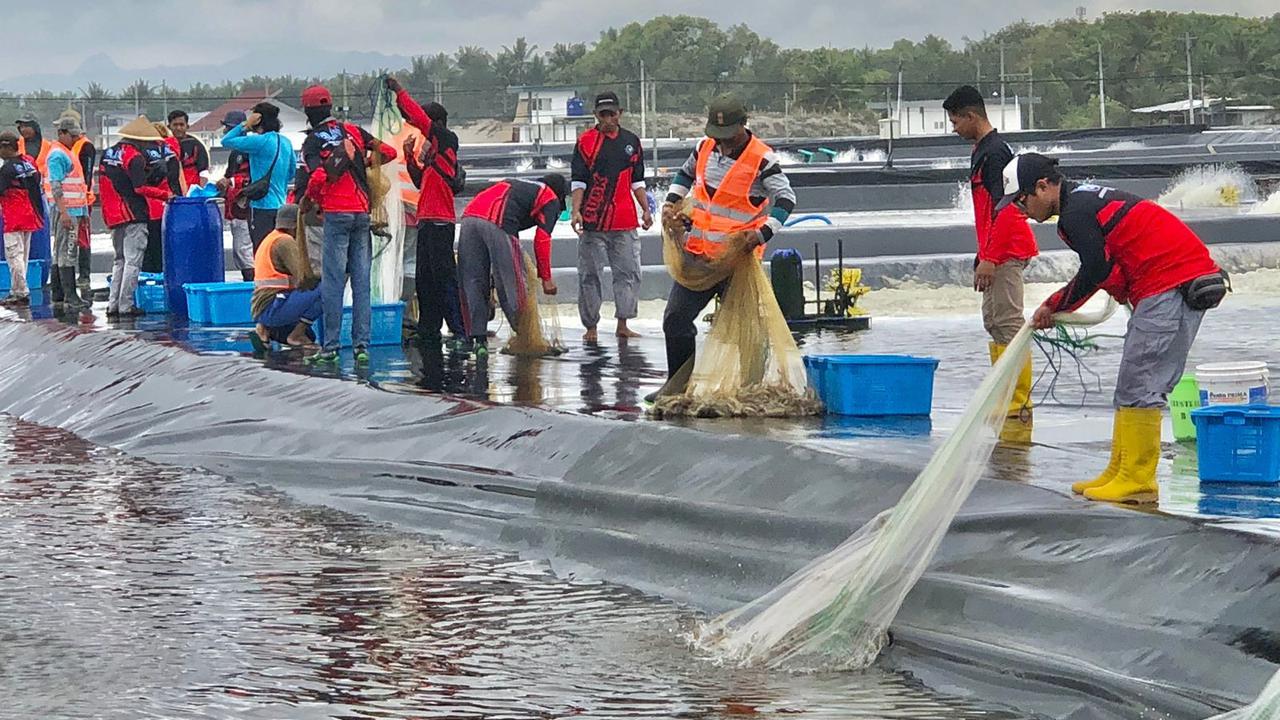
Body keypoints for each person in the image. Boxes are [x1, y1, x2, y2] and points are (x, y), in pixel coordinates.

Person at [1004, 153, 1227, 504]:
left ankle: (1138, 482)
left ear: (1043, 187)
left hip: (1172, 286)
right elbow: (1105, 267)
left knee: (1141, 385)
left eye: (1021, 200)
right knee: (1130, 384)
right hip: (1161, 286)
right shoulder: (1081, 202)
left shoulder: (1076, 213)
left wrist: (1057, 304)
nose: (1021, 210)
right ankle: (1119, 471)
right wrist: (1060, 301)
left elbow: (1094, 269)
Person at [656, 94, 796, 389]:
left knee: (746, 329)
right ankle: (678, 384)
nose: (723, 142)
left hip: (737, 261)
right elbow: (684, 174)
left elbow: (785, 199)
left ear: (742, 125)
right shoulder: (704, 148)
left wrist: (761, 234)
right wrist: (671, 202)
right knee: (675, 318)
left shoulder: (762, 159)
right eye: (717, 135)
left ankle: (751, 387)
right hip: (699, 255)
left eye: (728, 136)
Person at [943, 85, 1040, 441]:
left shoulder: (996, 153)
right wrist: (981, 254)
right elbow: (987, 212)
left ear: (972, 116)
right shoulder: (981, 150)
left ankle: (1017, 402)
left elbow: (1008, 209)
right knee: (994, 322)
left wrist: (992, 257)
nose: (953, 128)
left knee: (1008, 323)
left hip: (1006, 251)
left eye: (955, 121)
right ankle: (1006, 396)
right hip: (993, 250)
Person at [297, 84, 397, 365]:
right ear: (329, 108)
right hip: (362, 213)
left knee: (334, 282)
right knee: (362, 281)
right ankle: (361, 346)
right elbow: (388, 152)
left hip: (337, 215)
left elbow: (317, 176)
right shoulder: (353, 131)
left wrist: (311, 200)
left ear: (308, 112)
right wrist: (362, 161)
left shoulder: (314, 141)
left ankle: (330, 347)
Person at [384, 76, 466, 347]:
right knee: (425, 278)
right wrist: (409, 157)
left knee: (443, 277)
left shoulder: (446, 139)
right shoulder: (433, 157)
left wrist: (398, 91)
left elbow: (418, 116)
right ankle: (429, 328)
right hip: (426, 221)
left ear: (436, 125)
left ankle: (459, 330)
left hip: (440, 222)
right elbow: (420, 183)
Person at [570, 90, 652, 342]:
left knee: (627, 273)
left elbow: (637, 181)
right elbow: (578, 182)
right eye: (602, 114)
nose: (607, 119)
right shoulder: (585, 143)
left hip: (625, 221)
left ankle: (623, 323)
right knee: (590, 274)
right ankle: (590, 327)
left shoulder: (631, 142)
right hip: (593, 222)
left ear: (620, 114)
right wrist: (576, 211)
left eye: (612, 114)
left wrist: (646, 208)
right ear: (596, 115)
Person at [456, 174, 566, 359]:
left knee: (472, 282)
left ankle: (477, 339)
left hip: (469, 217)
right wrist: (546, 278)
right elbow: (542, 238)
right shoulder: (550, 197)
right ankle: (526, 337)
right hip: (498, 220)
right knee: (513, 285)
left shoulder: (522, 186)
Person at [100, 116, 171, 317]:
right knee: (133, 261)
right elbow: (139, 187)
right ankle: (126, 305)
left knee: (119, 260)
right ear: (140, 140)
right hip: (134, 213)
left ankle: (113, 305)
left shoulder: (108, 153)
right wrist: (166, 194)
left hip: (112, 215)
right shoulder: (134, 157)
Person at [221, 102, 296, 251]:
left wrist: (245, 125)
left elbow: (226, 140)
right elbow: (291, 172)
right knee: (279, 251)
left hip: (262, 206)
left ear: (258, 119)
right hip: (281, 205)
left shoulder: (260, 141)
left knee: (262, 251)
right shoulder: (286, 142)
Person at [249, 203, 321, 354]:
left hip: (263, 306)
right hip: (274, 306)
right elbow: (304, 276)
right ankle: (296, 334)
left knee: (311, 336)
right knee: (328, 287)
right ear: (296, 225)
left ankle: (266, 329)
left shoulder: (271, 238)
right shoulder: (285, 242)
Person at [46, 116, 91, 309]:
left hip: (73, 208)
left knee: (60, 251)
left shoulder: (66, 151)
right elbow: (56, 186)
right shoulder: (58, 155)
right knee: (68, 251)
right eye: (72, 136)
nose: (75, 140)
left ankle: (58, 293)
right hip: (67, 210)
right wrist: (64, 212)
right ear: (61, 134)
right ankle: (70, 296)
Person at [0, 130, 45, 307]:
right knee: (23, 256)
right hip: (32, 216)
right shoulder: (29, 163)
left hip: (15, 217)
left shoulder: (6, 170)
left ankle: (19, 292)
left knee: (14, 256)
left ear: (6, 148)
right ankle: (19, 289)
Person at [215, 110, 255, 281]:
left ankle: (253, 286)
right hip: (235, 210)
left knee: (244, 250)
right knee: (240, 253)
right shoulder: (235, 153)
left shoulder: (251, 150)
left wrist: (231, 183)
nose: (226, 132)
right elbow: (229, 175)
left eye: (229, 128)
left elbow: (252, 179)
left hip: (247, 208)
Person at [168, 110, 210, 190]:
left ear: (187, 126)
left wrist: (202, 192)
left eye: (181, 125)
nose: (178, 128)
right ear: (169, 126)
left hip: (192, 192)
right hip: (171, 193)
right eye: (175, 125)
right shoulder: (164, 145)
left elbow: (203, 172)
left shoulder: (196, 145)